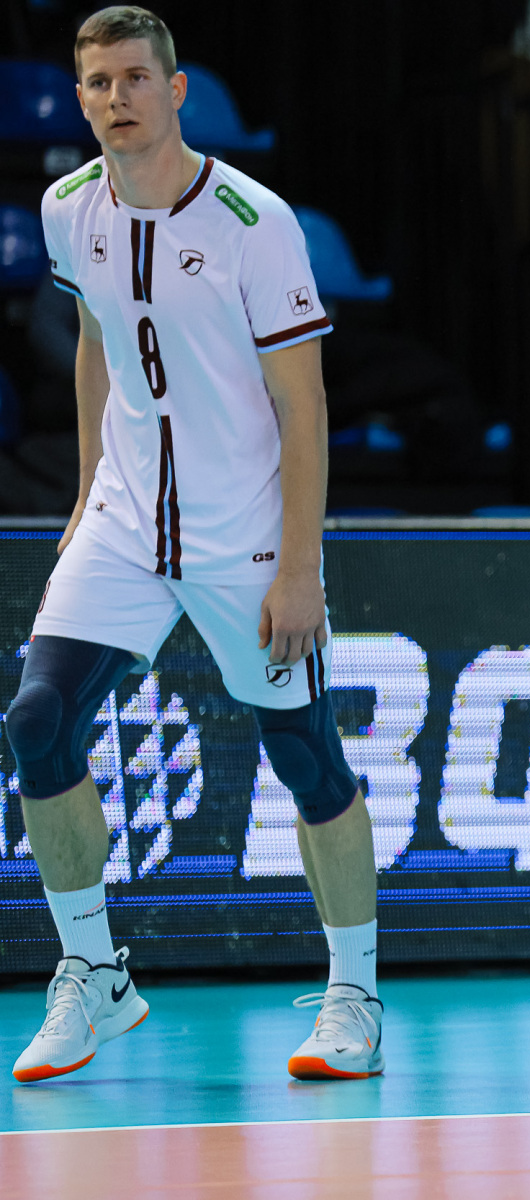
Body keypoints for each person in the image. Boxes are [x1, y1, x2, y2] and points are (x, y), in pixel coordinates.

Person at [5, 6, 384, 1083]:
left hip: (245, 535)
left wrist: (300, 566)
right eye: (97, 82)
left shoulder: (253, 221)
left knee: (305, 758)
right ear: (80, 98)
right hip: (124, 522)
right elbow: (95, 342)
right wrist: (88, 491)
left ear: (175, 91)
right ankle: (95, 975)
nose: (115, 98)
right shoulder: (67, 207)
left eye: (135, 78)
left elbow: (303, 404)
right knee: (37, 722)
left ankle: (355, 996)